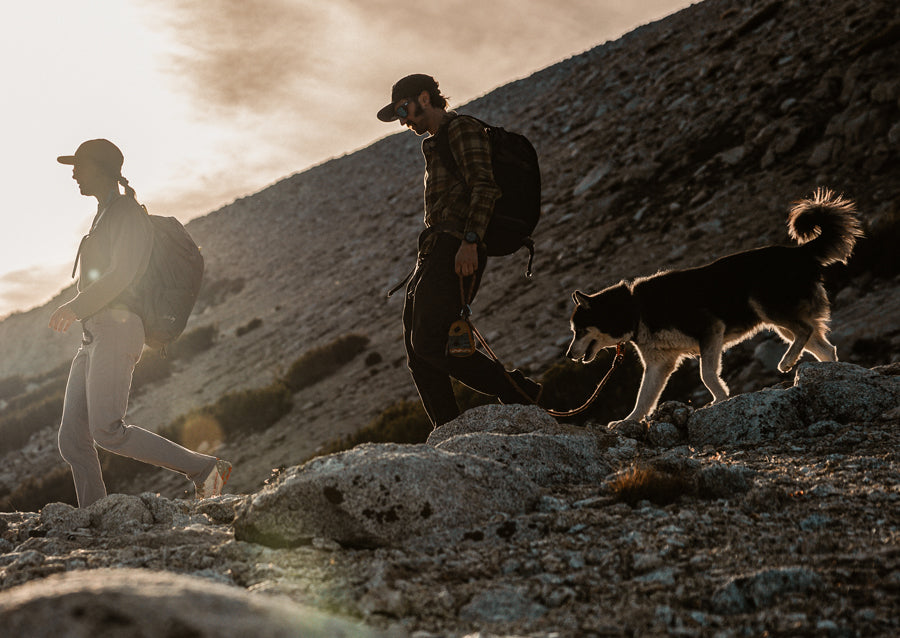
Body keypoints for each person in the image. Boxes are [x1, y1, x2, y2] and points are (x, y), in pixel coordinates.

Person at [49, 138, 232, 507]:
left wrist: (75, 306)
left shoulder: (128, 213)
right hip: (94, 334)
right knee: (72, 438)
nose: (73, 174)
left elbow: (123, 274)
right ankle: (95, 514)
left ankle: (204, 469)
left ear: (102, 169)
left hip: (118, 329)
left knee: (107, 430)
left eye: (80, 166)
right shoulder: (104, 213)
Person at [377, 74, 543, 428]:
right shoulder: (436, 143)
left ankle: (519, 392)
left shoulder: (462, 130)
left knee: (430, 340)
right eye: (398, 114)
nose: (404, 120)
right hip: (436, 248)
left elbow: (485, 187)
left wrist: (470, 242)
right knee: (416, 347)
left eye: (404, 109)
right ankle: (447, 429)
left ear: (425, 97)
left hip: (458, 245)